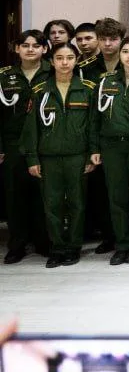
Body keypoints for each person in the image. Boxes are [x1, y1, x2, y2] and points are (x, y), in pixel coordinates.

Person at [21, 43, 98, 268]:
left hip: (77, 156)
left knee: (77, 203)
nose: (65, 62)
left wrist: (91, 154)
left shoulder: (87, 88)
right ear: (52, 61)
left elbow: (93, 124)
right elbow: (31, 129)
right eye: (60, 58)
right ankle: (56, 247)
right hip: (49, 157)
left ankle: (73, 247)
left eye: (70, 57)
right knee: (52, 204)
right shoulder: (39, 92)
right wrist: (32, 159)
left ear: (76, 60)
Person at [94, 35, 129, 265]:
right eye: (126, 51)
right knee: (117, 197)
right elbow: (95, 118)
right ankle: (122, 244)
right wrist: (94, 147)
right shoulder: (106, 82)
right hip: (112, 146)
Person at [1, 31, 51, 264]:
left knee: (43, 194)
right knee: (14, 196)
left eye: (36, 45)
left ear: (44, 49)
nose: (30, 49)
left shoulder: (53, 73)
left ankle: (43, 241)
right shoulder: (4, 77)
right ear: (17, 49)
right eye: (25, 45)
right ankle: (17, 244)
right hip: (13, 144)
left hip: (45, 143)